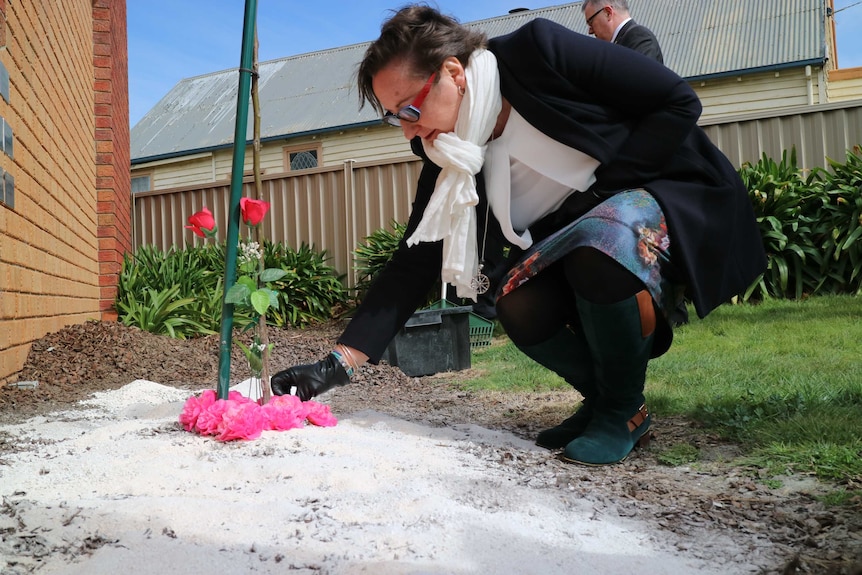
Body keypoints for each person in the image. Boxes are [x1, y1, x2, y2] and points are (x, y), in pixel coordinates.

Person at [271, 4, 766, 466]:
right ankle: (610, 402)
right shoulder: (451, 156)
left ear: (453, 73)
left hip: (665, 201)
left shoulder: (539, 52)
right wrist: (339, 363)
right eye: (393, 115)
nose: (406, 131)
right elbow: (414, 259)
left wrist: (598, 194)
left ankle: (619, 413)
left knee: (598, 237)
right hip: (583, 245)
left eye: (409, 109)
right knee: (515, 300)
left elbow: (676, 102)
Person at [582, 0, 664, 64]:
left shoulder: (639, 37)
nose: (590, 31)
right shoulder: (624, 41)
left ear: (608, 13)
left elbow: (640, 80)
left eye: (591, 22)